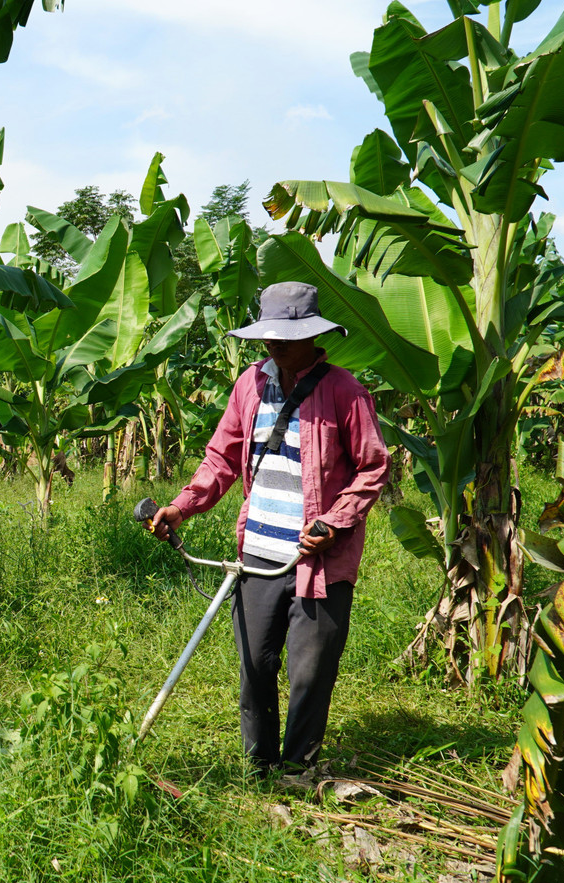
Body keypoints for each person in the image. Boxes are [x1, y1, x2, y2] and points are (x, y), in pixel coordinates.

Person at [145, 281, 390, 778]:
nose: (273, 344)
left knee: (310, 671)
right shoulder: (249, 384)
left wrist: (334, 522)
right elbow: (220, 459)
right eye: (268, 335)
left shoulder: (345, 392)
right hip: (256, 552)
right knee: (255, 666)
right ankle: (258, 767)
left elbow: (373, 468)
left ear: (311, 336)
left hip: (315, 561)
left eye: (285, 335)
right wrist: (181, 506)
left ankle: (297, 770)